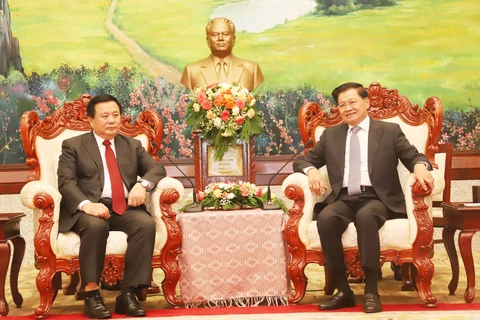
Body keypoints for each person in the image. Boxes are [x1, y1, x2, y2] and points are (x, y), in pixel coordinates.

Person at [293, 82, 434, 313]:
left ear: (366, 102)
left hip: (377, 198)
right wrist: (312, 170)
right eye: (341, 105)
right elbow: (302, 160)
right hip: (344, 198)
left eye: (352, 102)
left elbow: (413, 156)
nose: (347, 108)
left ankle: (371, 290)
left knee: (366, 216)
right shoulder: (331, 135)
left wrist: (419, 166)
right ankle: (343, 291)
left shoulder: (389, 132)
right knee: (326, 219)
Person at [57, 94, 166, 319]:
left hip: (123, 207)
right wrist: (86, 205)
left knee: (145, 224)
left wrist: (142, 184)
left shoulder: (132, 145)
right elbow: (66, 182)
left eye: (115, 115)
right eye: (105, 116)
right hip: (89, 208)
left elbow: (156, 169)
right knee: (96, 227)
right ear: (90, 120)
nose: (112, 120)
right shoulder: (73, 146)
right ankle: (91, 295)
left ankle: (128, 295)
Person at [180, 17, 264, 91]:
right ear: (208, 40)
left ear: (234, 39)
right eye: (215, 34)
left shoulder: (252, 69)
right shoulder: (191, 71)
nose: (220, 38)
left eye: (226, 34)